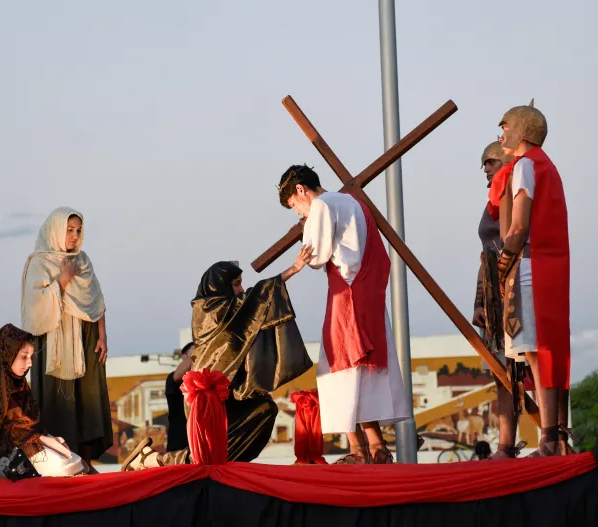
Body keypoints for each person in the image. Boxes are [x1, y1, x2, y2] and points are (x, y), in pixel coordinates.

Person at [122, 257, 314, 469]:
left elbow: (250, 314)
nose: (241, 289)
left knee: (264, 409)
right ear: (219, 286)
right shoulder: (209, 311)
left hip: (228, 393)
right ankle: (154, 460)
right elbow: (256, 300)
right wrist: (291, 271)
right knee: (207, 452)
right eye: (236, 284)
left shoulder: (232, 312)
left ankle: (212, 465)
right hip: (207, 398)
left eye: (241, 283)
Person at [276, 165, 409, 464]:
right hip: (368, 291)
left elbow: (316, 257)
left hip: (346, 294)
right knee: (362, 370)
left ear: (300, 190)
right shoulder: (354, 202)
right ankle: (377, 446)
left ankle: (358, 450)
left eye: (295, 205)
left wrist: (305, 233)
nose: (298, 213)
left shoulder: (322, 205)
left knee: (339, 369)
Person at [491, 102, 572, 456]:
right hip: (547, 264)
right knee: (543, 350)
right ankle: (551, 435)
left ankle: (549, 438)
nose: (502, 134)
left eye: (505, 126)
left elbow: (519, 226)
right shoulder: (546, 165)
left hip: (529, 266)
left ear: (522, 129)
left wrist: (503, 263)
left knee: (537, 351)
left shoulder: (525, 166)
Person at [21, 207, 112, 470]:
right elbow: (35, 306)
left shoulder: (82, 260)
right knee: (57, 402)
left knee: (87, 399)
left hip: (86, 338)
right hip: (52, 342)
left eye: (78, 231)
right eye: (69, 230)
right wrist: (62, 280)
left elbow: (96, 300)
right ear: (55, 230)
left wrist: (102, 335)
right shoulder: (39, 263)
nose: (74, 236)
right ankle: (60, 464)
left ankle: (85, 462)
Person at [0, 324, 88, 477]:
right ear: (8, 354)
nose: (30, 363)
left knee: (73, 460)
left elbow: (30, 423)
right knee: (63, 466)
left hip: (25, 446)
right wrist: (40, 439)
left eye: (31, 357)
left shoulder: (19, 385)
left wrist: (48, 438)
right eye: (24, 357)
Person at [472, 141, 529, 459]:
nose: (485, 167)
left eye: (491, 161)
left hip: (516, 285)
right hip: (493, 290)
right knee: (500, 370)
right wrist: (479, 301)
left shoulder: (517, 196)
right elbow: (486, 258)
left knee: (519, 368)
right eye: (483, 163)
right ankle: (505, 444)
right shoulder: (491, 203)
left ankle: (549, 433)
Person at [163, 342, 195, 453]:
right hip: (180, 448)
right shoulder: (173, 378)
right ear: (184, 357)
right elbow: (178, 376)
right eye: (194, 350)